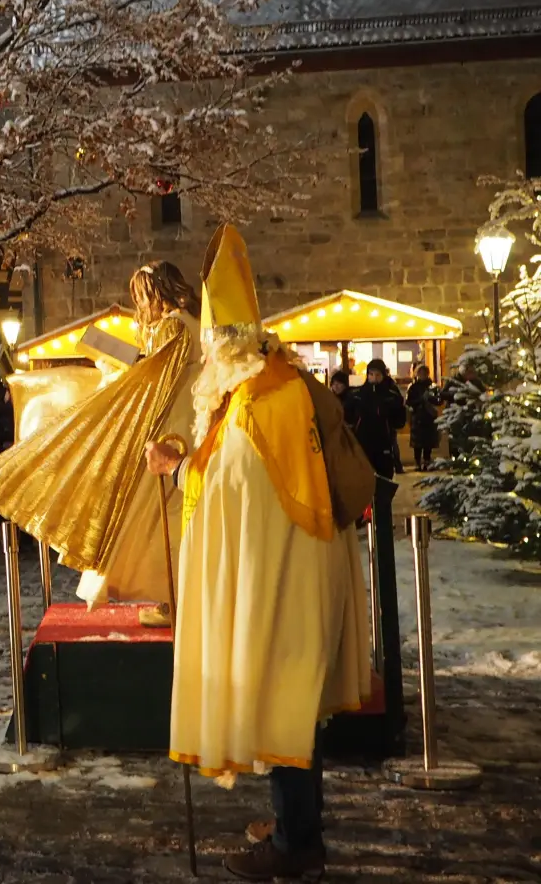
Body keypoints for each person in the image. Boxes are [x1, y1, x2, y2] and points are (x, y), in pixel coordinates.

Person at [145, 224, 372, 880]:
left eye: (210, 349)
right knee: (289, 707)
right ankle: (295, 824)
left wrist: (184, 473)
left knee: (286, 707)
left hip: (280, 580)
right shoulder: (263, 386)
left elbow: (234, 488)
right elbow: (231, 473)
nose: (206, 365)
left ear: (225, 345)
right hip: (281, 573)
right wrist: (184, 457)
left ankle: (298, 847)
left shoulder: (261, 402)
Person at [0, 260, 203, 628]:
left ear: (156, 291)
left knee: (159, 513)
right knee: (165, 511)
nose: (140, 304)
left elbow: (158, 376)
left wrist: (119, 371)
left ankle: (174, 595)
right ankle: (175, 593)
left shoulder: (173, 325)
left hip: (173, 422)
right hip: (186, 417)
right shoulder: (189, 322)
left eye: (142, 295)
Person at [349, 358, 408, 479]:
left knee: (384, 478)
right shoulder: (358, 395)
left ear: (383, 375)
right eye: (371, 374)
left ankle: (382, 497)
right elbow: (348, 415)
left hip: (384, 443)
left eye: (377, 374)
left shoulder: (391, 395)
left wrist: (390, 421)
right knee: (364, 478)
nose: (374, 378)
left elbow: (400, 419)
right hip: (362, 443)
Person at [406, 364, 440, 471]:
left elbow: (439, 400)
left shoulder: (432, 387)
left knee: (427, 442)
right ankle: (417, 462)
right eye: (420, 373)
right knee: (418, 443)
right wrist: (421, 400)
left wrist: (430, 399)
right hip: (418, 417)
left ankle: (426, 461)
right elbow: (409, 401)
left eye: (424, 373)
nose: (422, 375)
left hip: (429, 417)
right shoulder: (413, 387)